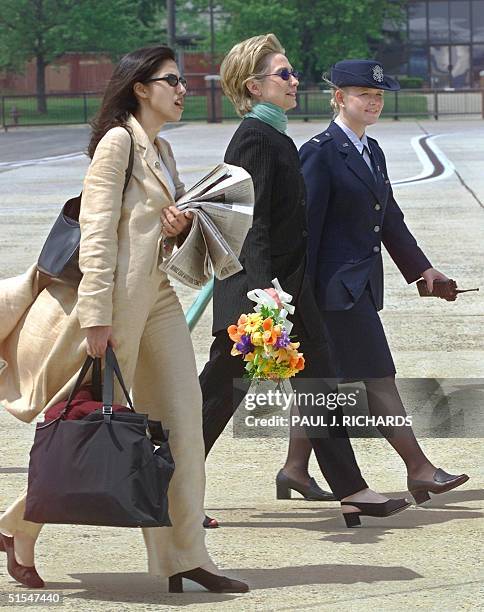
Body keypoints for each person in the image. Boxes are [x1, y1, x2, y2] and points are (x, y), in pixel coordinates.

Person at [0, 45, 248, 594]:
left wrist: (177, 228)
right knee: (85, 430)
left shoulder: (160, 149)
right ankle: (17, 525)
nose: (183, 89)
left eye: (182, 81)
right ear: (141, 87)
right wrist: (94, 315)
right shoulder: (118, 144)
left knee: (182, 426)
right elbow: (95, 233)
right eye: (172, 81)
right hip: (112, 308)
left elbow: (158, 239)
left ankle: (184, 555)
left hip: (156, 300)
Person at [199, 34, 410, 529]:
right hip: (261, 298)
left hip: (289, 294)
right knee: (216, 396)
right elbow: (252, 225)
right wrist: (264, 296)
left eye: (292, 72)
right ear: (254, 86)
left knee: (319, 386)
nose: (295, 81)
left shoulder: (275, 135)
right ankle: (162, 482)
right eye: (284, 74)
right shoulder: (255, 136)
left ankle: (353, 490)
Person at [299, 59, 469, 505]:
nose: (373, 102)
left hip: (359, 287)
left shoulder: (371, 151)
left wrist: (422, 269)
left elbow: (390, 219)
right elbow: (306, 231)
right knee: (379, 377)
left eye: (377, 97)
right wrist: (300, 298)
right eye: (363, 95)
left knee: (323, 382)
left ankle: (294, 469)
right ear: (338, 98)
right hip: (332, 291)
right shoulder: (319, 151)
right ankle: (419, 469)